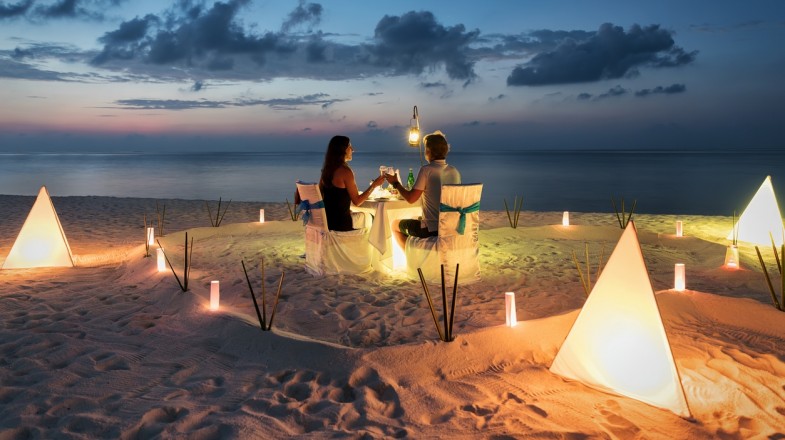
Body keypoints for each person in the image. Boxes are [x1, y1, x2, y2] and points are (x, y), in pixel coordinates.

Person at [384, 130, 461, 248]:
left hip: (431, 230)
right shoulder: (454, 171)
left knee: (395, 225)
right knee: (416, 219)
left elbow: (410, 199)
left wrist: (396, 184)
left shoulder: (427, 170)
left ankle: (412, 260)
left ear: (428, 151)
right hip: (452, 228)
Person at [296, 135, 385, 231]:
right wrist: (374, 185)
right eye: (350, 147)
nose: (353, 150)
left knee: (361, 215)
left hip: (327, 221)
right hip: (341, 224)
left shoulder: (326, 170)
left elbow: (323, 196)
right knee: (373, 218)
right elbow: (357, 201)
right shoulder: (346, 171)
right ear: (343, 150)